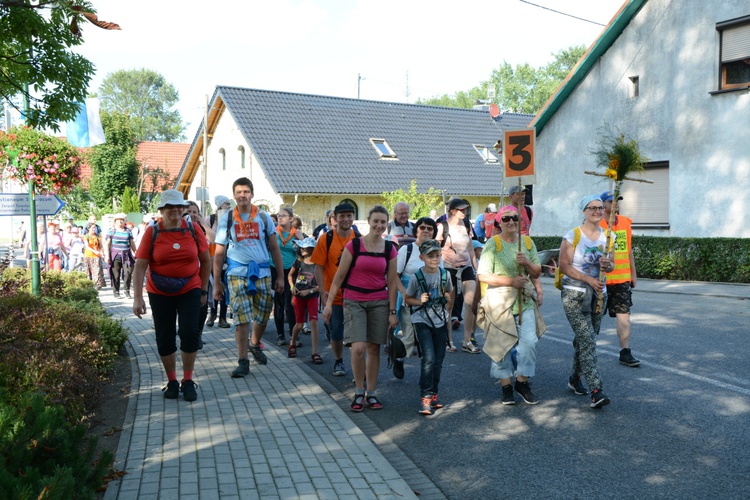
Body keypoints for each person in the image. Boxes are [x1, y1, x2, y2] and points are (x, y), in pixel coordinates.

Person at [132, 189, 210, 402]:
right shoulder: (152, 231)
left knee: (189, 332)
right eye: (170, 207)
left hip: (190, 288)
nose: (175, 210)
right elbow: (140, 266)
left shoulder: (193, 229)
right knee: (164, 336)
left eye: (178, 206)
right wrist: (137, 297)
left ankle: (188, 380)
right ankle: (172, 381)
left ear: (184, 208)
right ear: (162, 210)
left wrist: (203, 289)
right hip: (159, 291)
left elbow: (206, 260)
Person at [322, 205, 399, 411]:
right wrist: (328, 305)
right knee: (358, 348)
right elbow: (338, 278)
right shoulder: (354, 246)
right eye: (376, 221)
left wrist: (393, 312)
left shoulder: (390, 249)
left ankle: (371, 393)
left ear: (386, 224)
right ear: (368, 221)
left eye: (383, 222)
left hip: (379, 302)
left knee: (374, 348)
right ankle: (358, 391)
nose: (379, 225)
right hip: (353, 300)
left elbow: (392, 283)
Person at [212, 177, 285, 378]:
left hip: (262, 273)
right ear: (234, 195)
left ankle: (255, 344)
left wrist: (280, 276)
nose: (242, 195)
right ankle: (243, 360)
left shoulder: (263, 217)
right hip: (237, 273)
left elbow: (274, 248)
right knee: (241, 317)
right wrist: (217, 282)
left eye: (246, 191)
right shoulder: (227, 219)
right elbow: (219, 252)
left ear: (252, 194)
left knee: (262, 315)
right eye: (239, 192)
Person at [476, 206, 544, 405]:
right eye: (506, 219)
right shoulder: (493, 244)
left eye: (515, 218)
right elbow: (483, 275)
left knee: (529, 343)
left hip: (524, 302)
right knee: (501, 345)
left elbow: (537, 271)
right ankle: (506, 385)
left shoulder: (528, 243)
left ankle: (522, 382)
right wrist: (511, 281)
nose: (511, 222)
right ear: (499, 222)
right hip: (500, 303)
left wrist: (528, 264)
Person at [559, 194, 615, 409]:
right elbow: (564, 266)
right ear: (584, 211)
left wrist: (607, 264)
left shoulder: (608, 237)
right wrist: (588, 279)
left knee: (584, 340)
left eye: (600, 208)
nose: (597, 211)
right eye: (592, 208)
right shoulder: (572, 235)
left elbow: (612, 266)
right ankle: (596, 390)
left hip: (600, 295)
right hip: (575, 293)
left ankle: (575, 378)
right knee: (588, 339)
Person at [312, 202, 361, 377]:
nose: (346, 219)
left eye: (349, 215)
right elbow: (318, 266)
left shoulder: (358, 238)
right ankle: (339, 361)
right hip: (334, 296)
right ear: (335, 219)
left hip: (355, 295)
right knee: (337, 333)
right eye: (342, 216)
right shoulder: (326, 238)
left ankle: (358, 369)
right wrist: (323, 292)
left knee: (356, 335)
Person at [404, 239, 453, 415]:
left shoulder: (445, 275)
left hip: (439, 320)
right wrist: (419, 301)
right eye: (430, 256)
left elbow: (450, 294)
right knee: (429, 358)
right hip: (421, 320)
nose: (434, 259)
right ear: (422, 257)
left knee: (439, 360)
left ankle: (434, 393)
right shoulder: (417, 277)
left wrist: (447, 301)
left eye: (437, 255)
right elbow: (408, 299)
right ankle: (425, 395)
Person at [392, 216, 438, 379]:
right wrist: (404, 292)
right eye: (422, 227)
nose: (426, 231)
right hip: (409, 300)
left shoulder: (437, 252)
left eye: (429, 228)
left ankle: (427, 376)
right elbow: (394, 275)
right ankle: (398, 357)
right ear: (416, 230)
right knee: (409, 337)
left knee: (429, 339)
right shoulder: (407, 250)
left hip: (431, 302)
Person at [599, 190, 641, 367]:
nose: (615, 204)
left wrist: (633, 273)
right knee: (593, 318)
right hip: (600, 280)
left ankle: (625, 352)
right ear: (603, 205)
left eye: (617, 201)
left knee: (624, 316)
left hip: (622, 279)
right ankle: (584, 349)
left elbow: (629, 250)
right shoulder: (596, 224)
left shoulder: (625, 223)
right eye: (611, 201)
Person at [435, 198, 479, 354]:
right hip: (448, 268)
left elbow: (471, 249)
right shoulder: (442, 227)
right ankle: (448, 339)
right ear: (452, 211)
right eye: (460, 209)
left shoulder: (467, 224)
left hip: (466, 266)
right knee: (449, 305)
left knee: (471, 302)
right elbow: (436, 250)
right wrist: (437, 270)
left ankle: (467, 341)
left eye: (465, 209)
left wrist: (476, 269)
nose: (464, 212)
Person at [270, 206, 304, 346]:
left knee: (291, 303)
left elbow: (304, 252)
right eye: (279, 215)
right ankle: (280, 335)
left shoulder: (296, 233)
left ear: (291, 219)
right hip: (276, 270)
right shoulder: (273, 232)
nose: (280, 218)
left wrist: (301, 240)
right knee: (279, 302)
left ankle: (293, 334)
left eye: (283, 215)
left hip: (292, 271)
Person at [186, 201, 216, 349]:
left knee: (203, 306)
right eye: (189, 211)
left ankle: (198, 333)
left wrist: (203, 223)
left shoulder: (203, 228)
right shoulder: (182, 228)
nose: (192, 214)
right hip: (186, 274)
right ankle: (190, 333)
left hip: (203, 272)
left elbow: (214, 239)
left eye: (195, 212)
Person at [288, 237, 321, 361]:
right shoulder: (298, 262)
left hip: (312, 296)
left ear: (312, 249)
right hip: (299, 296)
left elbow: (322, 284)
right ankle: (292, 342)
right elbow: (290, 275)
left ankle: (315, 352)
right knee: (300, 324)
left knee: (314, 322)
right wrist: (292, 287)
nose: (302, 249)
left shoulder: (318, 264)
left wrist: (311, 290)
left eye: (305, 247)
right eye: (301, 247)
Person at [207, 195, 232, 328]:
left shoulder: (230, 218)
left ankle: (222, 318)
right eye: (227, 204)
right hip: (212, 257)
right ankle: (212, 315)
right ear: (219, 205)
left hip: (227, 257)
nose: (229, 206)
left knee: (225, 287)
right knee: (214, 285)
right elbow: (209, 238)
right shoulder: (210, 219)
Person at [104, 214, 136, 298]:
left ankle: (126, 291)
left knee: (128, 273)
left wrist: (136, 253)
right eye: (118, 220)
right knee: (116, 275)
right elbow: (107, 244)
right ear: (115, 222)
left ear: (124, 221)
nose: (120, 221)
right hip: (115, 256)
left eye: (122, 220)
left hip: (126, 255)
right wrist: (106, 256)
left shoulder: (128, 231)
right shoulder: (111, 231)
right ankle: (116, 292)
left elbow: (132, 243)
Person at [83, 220, 106, 288]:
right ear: (88, 229)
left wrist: (102, 252)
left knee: (97, 270)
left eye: (94, 228)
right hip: (88, 255)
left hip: (96, 256)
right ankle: (90, 284)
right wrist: (94, 251)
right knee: (89, 271)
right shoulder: (86, 236)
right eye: (92, 228)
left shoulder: (98, 236)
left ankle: (97, 284)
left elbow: (101, 246)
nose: (93, 229)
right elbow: (87, 246)